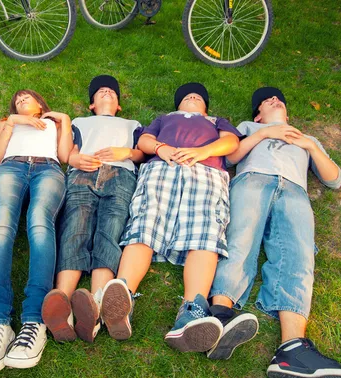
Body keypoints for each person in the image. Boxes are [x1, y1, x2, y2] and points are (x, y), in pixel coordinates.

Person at [207, 87, 341, 378]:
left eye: (278, 99)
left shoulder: (306, 139)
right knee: (240, 240)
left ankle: (291, 350)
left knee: (299, 255)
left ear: (288, 113)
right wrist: (264, 134)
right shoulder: (247, 128)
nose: (274, 100)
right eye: (267, 101)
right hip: (252, 180)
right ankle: (219, 318)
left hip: (295, 190)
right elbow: (229, 156)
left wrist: (309, 145)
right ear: (258, 114)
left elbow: (335, 179)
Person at [100, 83, 243, 353]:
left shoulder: (215, 121)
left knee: (205, 234)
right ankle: (123, 297)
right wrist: (160, 147)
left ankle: (192, 310)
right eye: (187, 96)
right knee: (145, 225)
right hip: (160, 169)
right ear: (177, 106)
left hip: (205, 173)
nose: (192, 97)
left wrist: (203, 152)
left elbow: (231, 143)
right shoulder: (164, 119)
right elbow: (143, 141)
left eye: (198, 97)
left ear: (206, 108)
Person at [0, 89, 72, 374]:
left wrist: (64, 120)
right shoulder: (9, 122)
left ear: (41, 104)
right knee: (1, 226)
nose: (20, 101)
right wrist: (13, 122)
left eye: (26, 98)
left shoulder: (54, 123)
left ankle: (34, 320)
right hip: (10, 167)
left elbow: (65, 155)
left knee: (40, 223)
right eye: (17, 100)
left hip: (48, 170)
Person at [41, 75, 144, 343]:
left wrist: (127, 153)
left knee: (109, 231)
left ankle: (97, 304)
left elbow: (141, 153)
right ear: (91, 105)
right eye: (100, 92)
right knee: (75, 229)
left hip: (120, 176)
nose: (106, 93)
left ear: (119, 105)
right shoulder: (80, 122)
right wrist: (73, 158)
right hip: (82, 173)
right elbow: (67, 151)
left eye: (111, 91)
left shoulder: (131, 124)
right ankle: (62, 302)